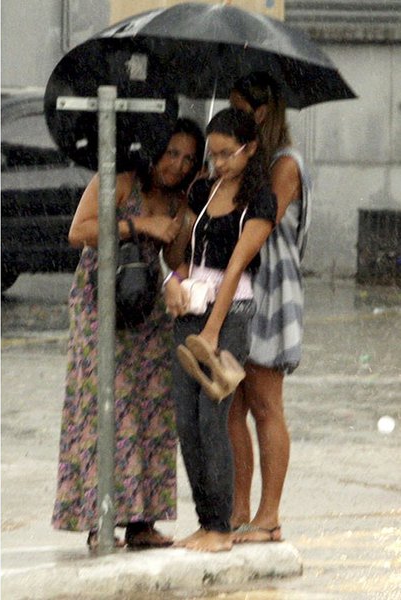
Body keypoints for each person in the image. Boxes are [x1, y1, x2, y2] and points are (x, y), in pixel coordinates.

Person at [53, 118, 204, 548]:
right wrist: (138, 226)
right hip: (100, 303)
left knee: (151, 410)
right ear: (155, 148)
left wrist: (185, 223)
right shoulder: (119, 182)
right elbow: (79, 232)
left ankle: (142, 521)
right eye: (173, 153)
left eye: (188, 159)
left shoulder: (177, 200)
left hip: (147, 310)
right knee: (105, 406)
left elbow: (174, 259)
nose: (177, 165)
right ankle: (99, 518)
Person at [163, 108, 276, 552]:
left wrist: (212, 331)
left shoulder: (260, 200)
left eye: (228, 154)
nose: (220, 164)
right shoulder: (203, 190)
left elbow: (233, 271)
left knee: (213, 418)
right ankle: (206, 519)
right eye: (213, 155)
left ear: (249, 150)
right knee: (186, 420)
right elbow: (181, 247)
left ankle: (223, 528)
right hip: (190, 305)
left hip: (230, 314)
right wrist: (173, 280)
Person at [226, 72, 310, 544]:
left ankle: (269, 514)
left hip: (272, 285)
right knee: (233, 403)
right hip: (240, 281)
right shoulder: (249, 157)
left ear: (261, 112)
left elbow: (261, 216)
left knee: (264, 401)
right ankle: (240, 509)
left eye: (242, 108)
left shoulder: (285, 163)